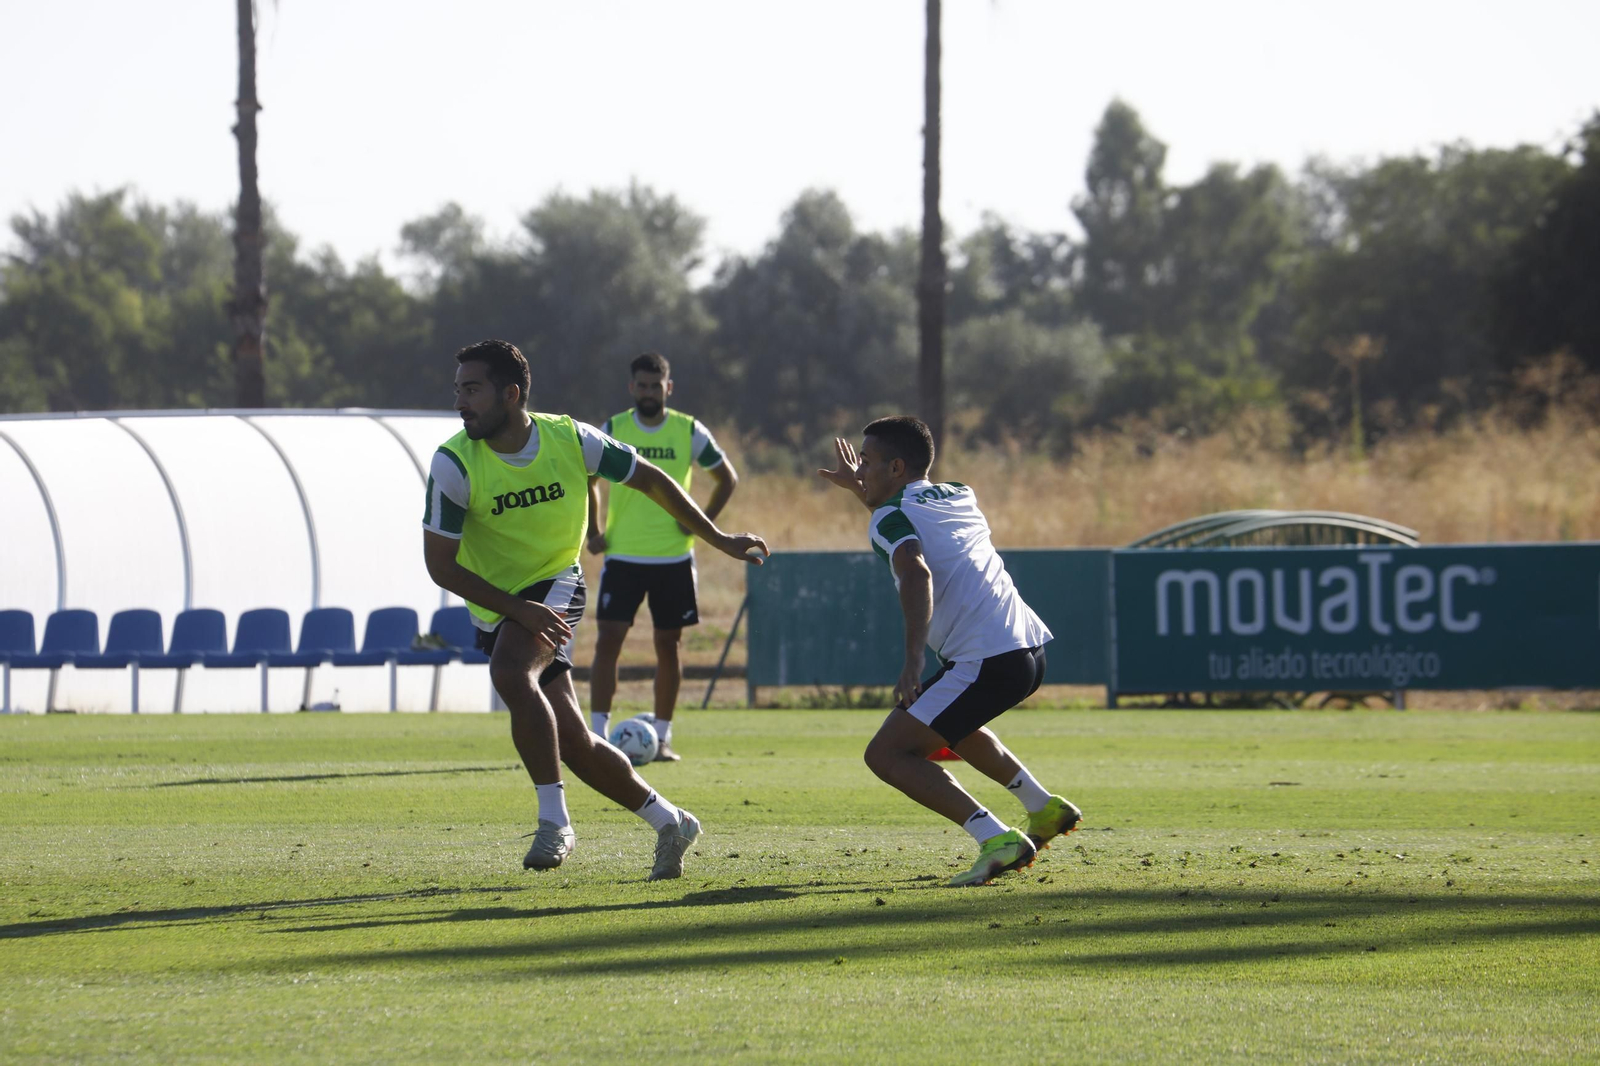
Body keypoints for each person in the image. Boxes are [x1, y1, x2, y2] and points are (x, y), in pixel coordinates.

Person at [422, 339, 768, 878]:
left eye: (472, 390)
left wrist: (718, 538)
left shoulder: (571, 438)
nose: (460, 402)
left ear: (511, 394)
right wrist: (518, 609)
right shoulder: (452, 465)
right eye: (457, 390)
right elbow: (441, 567)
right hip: (498, 605)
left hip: (557, 582)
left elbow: (652, 479)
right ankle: (671, 821)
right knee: (577, 744)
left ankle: (554, 822)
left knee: (511, 671)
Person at [817, 416, 1082, 887]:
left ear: (896, 466)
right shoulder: (960, 493)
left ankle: (995, 837)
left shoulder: (888, 517)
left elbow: (915, 571)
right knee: (953, 728)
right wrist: (862, 489)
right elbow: (906, 512)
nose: (861, 471)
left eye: (870, 463)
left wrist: (913, 659)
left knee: (888, 754)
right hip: (1026, 650)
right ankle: (1044, 809)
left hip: (987, 658)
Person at [585, 351, 738, 760]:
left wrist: (702, 522)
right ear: (631, 387)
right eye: (643, 385)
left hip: (673, 559)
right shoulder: (614, 428)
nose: (650, 392)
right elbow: (588, 477)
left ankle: (664, 737)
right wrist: (594, 528)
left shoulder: (689, 431)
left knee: (668, 646)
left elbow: (727, 478)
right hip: (623, 558)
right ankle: (596, 737)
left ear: (668, 388)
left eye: (657, 385)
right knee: (608, 642)